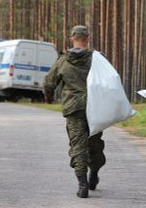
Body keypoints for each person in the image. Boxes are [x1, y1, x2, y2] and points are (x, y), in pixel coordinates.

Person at [43, 25, 106, 198]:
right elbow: (110, 81)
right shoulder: (97, 58)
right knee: (95, 144)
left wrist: (48, 97)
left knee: (78, 145)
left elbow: (49, 82)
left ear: (72, 38)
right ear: (88, 38)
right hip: (95, 108)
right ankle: (94, 172)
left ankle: (82, 185)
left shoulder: (63, 60)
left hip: (74, 108)